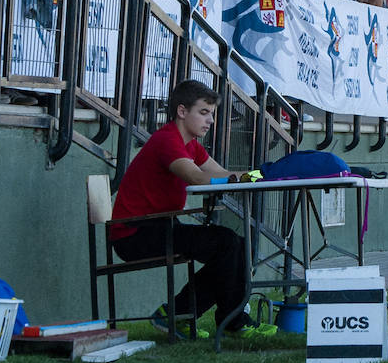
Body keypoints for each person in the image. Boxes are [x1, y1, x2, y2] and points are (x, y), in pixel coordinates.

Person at [109, 79, 277, 339]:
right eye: (203, 112)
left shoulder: (191, 145)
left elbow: (222, 173)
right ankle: (223, 320)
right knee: (227, 244)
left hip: (160, 226)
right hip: (133, 234)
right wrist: (238, 179)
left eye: (211, 114)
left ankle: (185, 316)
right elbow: (197, 178)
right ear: (182, 111)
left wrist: (265, 174)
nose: (210, 121)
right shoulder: (167, 140)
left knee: (238, 245)